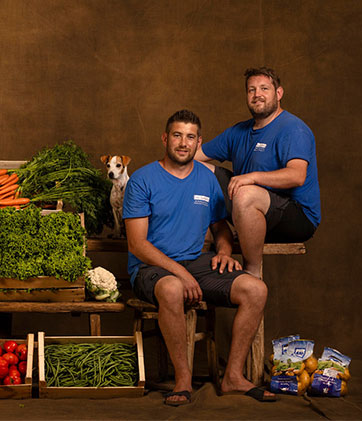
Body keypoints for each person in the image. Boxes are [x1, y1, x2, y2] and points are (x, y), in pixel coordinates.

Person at [123, 109, 275, 406]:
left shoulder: (207, 180)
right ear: (165, 138)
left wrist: (224, 251)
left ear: (198, 142)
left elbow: (220, 226)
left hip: (195, 262)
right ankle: (183, 380)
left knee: (256, 289)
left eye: (190, 137)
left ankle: (232, 377)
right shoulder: (142, 179)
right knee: (172, 288)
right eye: (177, 135)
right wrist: (181, 274)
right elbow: (137, 244)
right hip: (151, 266)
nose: (183, 143)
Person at [194, 67, 321, 278]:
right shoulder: (239, 131)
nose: (257, 94)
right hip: (248, 210)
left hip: (297, 216)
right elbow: (192, 158)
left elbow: (296, 176)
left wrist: (250, 178)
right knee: (197, 169)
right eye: (251, 90)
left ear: (278, 93)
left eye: (264, 88)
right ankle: (207, 238)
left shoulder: (294, 129)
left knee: (246, 192)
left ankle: (251, 272)